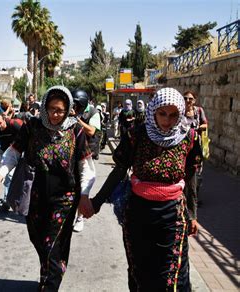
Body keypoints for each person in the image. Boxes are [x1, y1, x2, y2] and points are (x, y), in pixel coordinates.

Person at [90, 87, 202, 291]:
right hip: (138, 214)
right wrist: (96, 203)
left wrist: (193, 214)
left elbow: (191, 177)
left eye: (173, 115)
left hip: (173, 215)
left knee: (173, 276)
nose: (167, 120)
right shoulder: (136, 135)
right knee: (140, 272)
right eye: (162, 114)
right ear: (153, 111)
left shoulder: (190, 137)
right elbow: (119, 171)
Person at [0, 86, 95, 291]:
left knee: (52, 246)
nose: (55, 115)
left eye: (60, 110)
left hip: (65, 199)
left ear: (69, 109)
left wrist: (85, 196)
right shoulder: (32, 126)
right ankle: (49, 274)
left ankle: (50, 284)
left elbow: (85, 167)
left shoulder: (76, 130)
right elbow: (13, 153)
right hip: (35, 197)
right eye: (52, 109)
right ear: (44, 107)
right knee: (39, 242)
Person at [70, 89, 99, 232]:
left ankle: (80, 217)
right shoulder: (71, 110)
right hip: (71, 153)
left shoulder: (93, 112)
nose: (74, 107)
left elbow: (92, 131)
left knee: (83, 186)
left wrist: (76, 119)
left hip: (86, 153)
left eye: (76, 104)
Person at [0, 112, 23, 211]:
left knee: (20, 177)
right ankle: (6, 201)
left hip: (19, 151)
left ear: (4, 119)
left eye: (0, 123)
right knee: (7, 176)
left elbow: (28, 134)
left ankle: (19, 199)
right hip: (5, 153)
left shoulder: (14, 124)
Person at [183, 90, 208, 208]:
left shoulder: (198, 111)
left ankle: (194, 198)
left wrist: (196, 128)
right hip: (182, 147)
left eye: (190, 98)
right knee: (182, 172)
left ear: (194, 100)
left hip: (196, 147)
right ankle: (183, 198)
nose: (187, 101)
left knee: (196, 172)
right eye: (185, 98)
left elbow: (205, 124)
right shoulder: (180, 111)